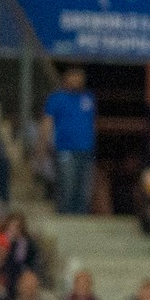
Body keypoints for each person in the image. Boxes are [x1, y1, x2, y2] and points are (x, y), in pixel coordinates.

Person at [43, 68, 96, 216]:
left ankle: (81, 220)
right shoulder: (56, 98)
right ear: (66, 78)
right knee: (67, 186)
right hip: (65, 148)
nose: (76, 80)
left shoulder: (88, 97)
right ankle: (65, 219)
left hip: (86, 149)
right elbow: (47, 122)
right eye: (73, 76)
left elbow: (91, 123)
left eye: (79, 77)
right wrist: (43, 146)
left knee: (84, 188)